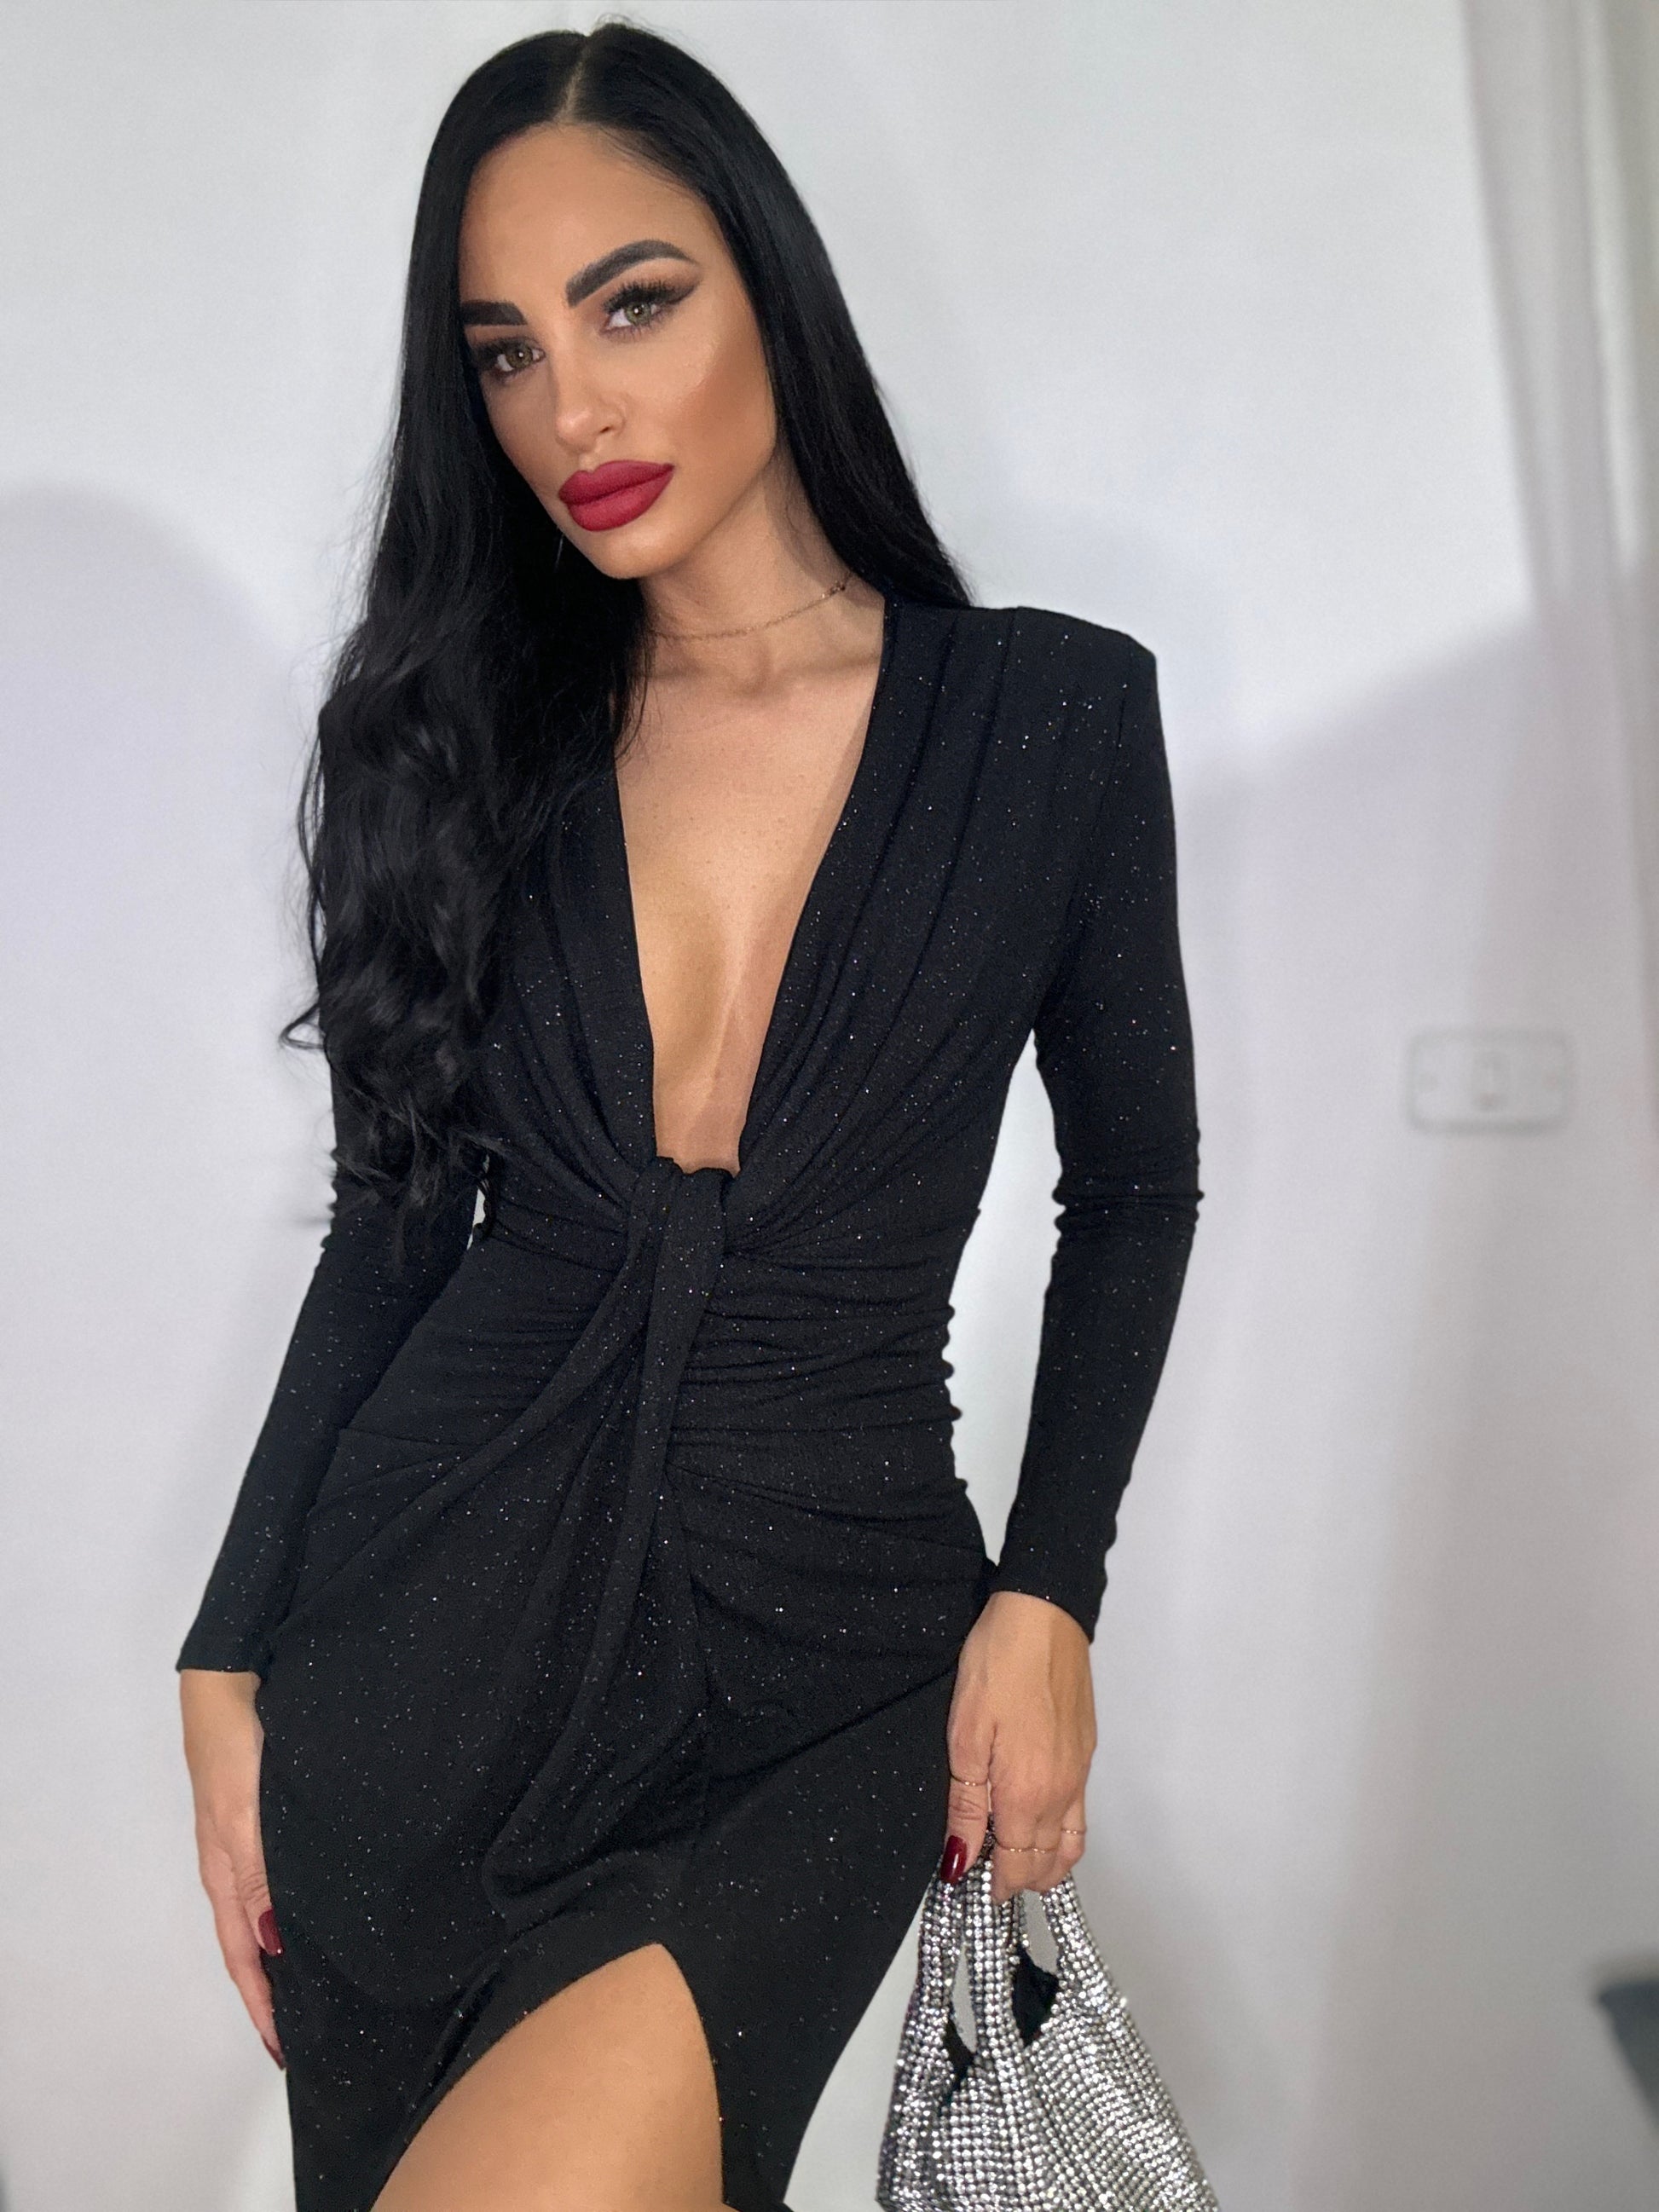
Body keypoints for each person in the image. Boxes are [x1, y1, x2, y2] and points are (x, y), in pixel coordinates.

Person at [175, 20, 1202, 2212]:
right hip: (422, 1656)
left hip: (829, 1657)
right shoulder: (455, 735)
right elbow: (391, 1224)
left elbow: (1132, 1187)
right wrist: (226, 1643)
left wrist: (1050, 1592)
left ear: (768, 285)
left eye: (630, 303)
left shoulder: (1047, 718)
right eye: (506, 352)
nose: (573, 408)